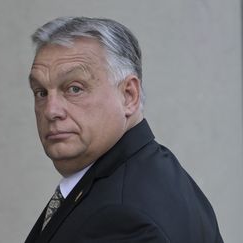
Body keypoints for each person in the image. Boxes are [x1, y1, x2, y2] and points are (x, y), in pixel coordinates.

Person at [25, 17, 223, 243]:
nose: (51, 111)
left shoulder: (122, 217)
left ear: (129, 95)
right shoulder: (153, 170)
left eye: (74, 88)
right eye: (41, 92)